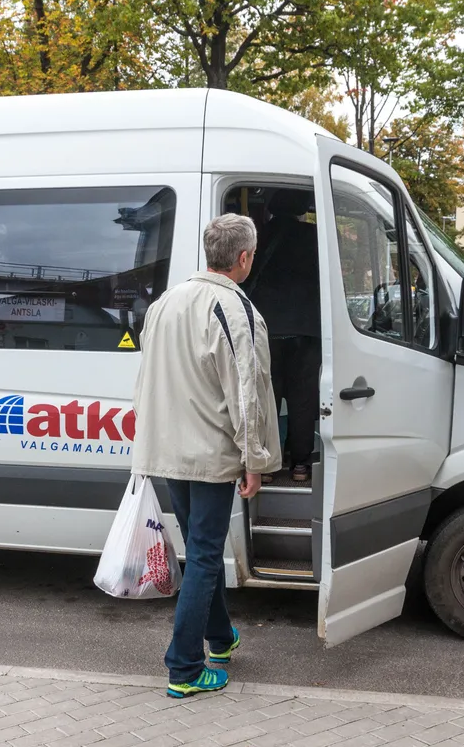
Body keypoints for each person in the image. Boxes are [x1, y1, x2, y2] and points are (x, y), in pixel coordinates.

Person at [132, 213, 282, 699]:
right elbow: (246, 393)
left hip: (170, 450)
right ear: (243, 258)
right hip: (211, 453)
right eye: (253, 256)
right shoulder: (235, 308)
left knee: (201, 547)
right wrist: (253, 459)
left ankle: (221, 639)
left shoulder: (166, 302)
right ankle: (184, 667)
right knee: (202, 555)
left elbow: (147, 379)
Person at [247, 190, 322, 483]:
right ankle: (301, 464)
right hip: (306, 329)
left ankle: (266, 466)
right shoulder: (314, 237)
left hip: (267, 329)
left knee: (267, 395)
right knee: (303, 398)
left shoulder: (257, 236)